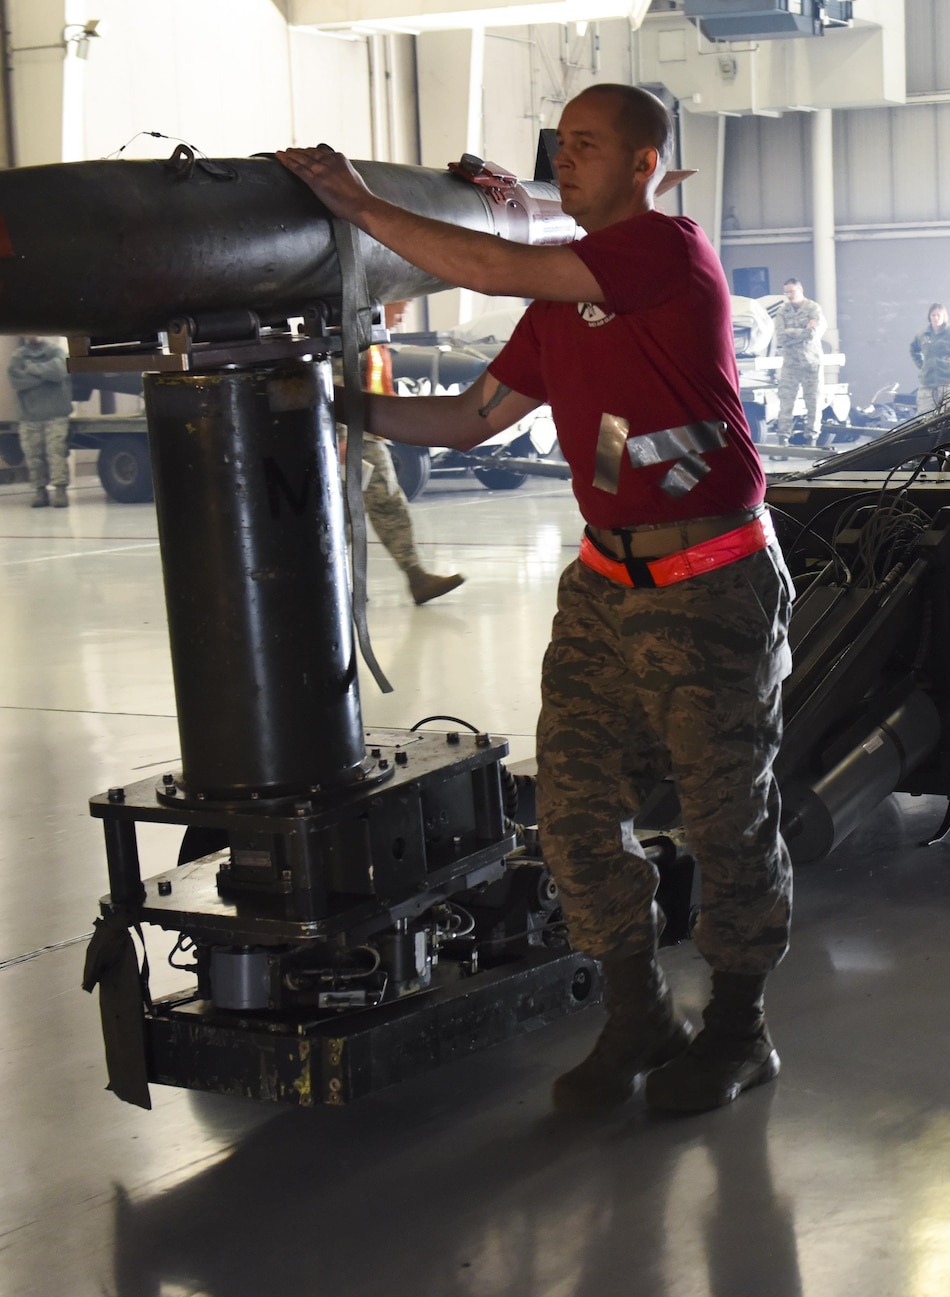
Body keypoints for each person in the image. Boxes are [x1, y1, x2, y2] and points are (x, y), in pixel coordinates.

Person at [277, 81, 794, 1117]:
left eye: (592, 144)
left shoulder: (666, 250)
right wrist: (339, 405)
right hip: (604, 584)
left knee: (722, 815)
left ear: (645, 162)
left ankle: (738, 1029)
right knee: (566, 809)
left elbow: (491, 262)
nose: (569, 157)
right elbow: (471, 417)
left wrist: (358, 202)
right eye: (562, 143)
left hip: (708, 581)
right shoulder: (558, 305)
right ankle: (638, 1012)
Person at [347, 343, 464, 605]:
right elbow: (331, 389)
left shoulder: (366, 335)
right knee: (346, 512)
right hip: (352, 437)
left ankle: (415, 578)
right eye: (403, 303)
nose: (404, 310)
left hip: (366, 432)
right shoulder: (345, 332)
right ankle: (338, 585)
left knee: (386, 502)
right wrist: (340, 435)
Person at [7, 336, 73, 507]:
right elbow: (16, 380)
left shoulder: (55, 351)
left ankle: (60, 491)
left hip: (55, 413)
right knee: (33, 456)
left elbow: (60, 371)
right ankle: (40, 491)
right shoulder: (17, 356)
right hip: (30, 416)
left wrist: (31, 368)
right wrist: (46, 376)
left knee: (56, 453)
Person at [771, 277, 824, 444]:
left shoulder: (813, 308)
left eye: (791, 291)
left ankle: (811, 438)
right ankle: (783, 438)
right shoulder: (782, 311)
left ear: (800, 290)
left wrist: (791, 331)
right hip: (790, 364)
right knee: (786, 401)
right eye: (786, 292)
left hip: (811, 362)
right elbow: (780, 338)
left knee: (813, 402)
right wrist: (801, 331)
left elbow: (813, 334)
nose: (789, 295)